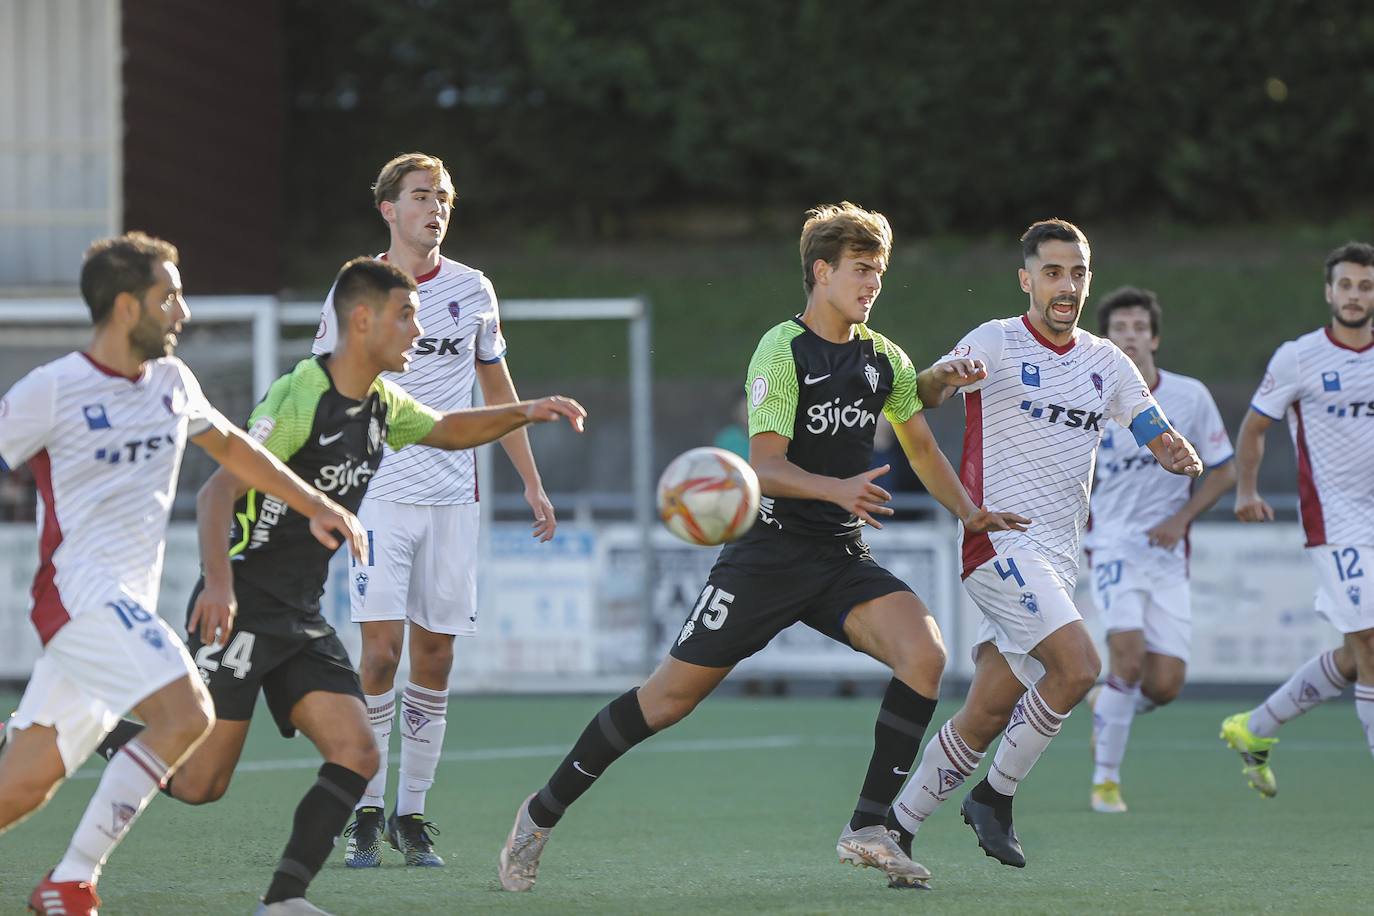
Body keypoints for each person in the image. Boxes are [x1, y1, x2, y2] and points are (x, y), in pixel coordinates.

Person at [497, 201, 1027, 893]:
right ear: (821, 271)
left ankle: (870, 828)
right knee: (666, 700)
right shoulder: (783, 349)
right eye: (861, 270)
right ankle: (538, 815)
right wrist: (835, 490)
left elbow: (920, 445)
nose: (873, 284)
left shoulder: (884, 358)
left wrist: (968, 511)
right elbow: (765, 466)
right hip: (766, 555)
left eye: (880, 272)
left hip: (838, 559)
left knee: (925, 654)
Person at [94, 257, 586, 914]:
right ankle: (79, 727)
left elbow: (447, 430)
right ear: (363, 321)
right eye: (405, 316)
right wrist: (218, 585)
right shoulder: (300, 397)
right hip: (240, 609)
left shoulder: (383, 404)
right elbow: (217, 491)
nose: (418, 331)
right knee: (199, 783)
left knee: (356, 751)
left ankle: (284, 900)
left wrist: (528, 411)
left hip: (297, 617)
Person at [0, 233, 365, 916]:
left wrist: (316, 503)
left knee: (19, 788)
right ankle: (70, 884)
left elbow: (234, 450)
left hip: (117, 612)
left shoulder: (173, 383)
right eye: (169, 295)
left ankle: (68, 882)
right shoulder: (51, 390)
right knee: (188, 712)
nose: (183, 310)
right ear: (125, 306)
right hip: (79, 600)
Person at [887, 219, 1203, 872]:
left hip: (1058, 560)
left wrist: (1173, 450)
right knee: (1080, 666)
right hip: (998, 544)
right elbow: (921, 395)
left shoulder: (1105, 361)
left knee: (988, 711)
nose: (1067, 285)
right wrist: (941, 374)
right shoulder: (996, 341)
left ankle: (895, 828)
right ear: (1027, 279)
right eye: (1053, 272)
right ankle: (995, 800)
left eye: (1078, 273)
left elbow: (1153, 426)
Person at [311, 152, 556, 867]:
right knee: (380, 652)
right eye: (421, 196)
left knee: (437, 656)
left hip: (454, 495)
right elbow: (327, 388)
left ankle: (411, 815)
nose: (435, 208)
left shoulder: (474, 288)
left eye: (443, 197)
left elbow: (495, 382)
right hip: (379, 493)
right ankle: (363, 808)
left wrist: (531, 481)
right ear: (388, 208)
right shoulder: (357, 287)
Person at [1220, 241, 1374, 795]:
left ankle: (1254, 729)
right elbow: (1255, 427)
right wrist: (1247, 490)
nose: (1355, 295)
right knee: (1372, 647)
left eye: (1366, 285)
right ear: (1330, 292)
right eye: (1347, 285)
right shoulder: (1300, 356)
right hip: (1335, 525)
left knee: (1359, 656)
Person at [1082, 287, 1235, 813]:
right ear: (1106, 339)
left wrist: (1180, 519)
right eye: (1119, 328)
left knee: (1165, 684)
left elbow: (1225, 469)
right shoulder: (1090, 397)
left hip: (1168, 556)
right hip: (1112, 547)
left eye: (1138, 327)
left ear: (1155, 336)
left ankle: (1108, 704)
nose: (1130, 336)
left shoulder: (1189, 397)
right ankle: (1106, 780)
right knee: (1125, 659)